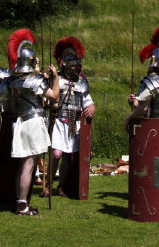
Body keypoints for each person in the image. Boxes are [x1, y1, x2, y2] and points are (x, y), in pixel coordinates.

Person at [0, 29, 59, 215]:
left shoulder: (10, 81)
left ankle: (20, 200)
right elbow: (54, 97)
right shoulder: (35, 79)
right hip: (32, 122)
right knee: (28, 164)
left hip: (18, 122)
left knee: (25, 163)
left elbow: (6, 104)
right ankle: (22, 204)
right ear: (32, 61)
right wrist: (55, 78)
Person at [51, 36, 95, 198]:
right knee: (56, 154)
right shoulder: (56, 79)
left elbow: (88, 102)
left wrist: (91, 108)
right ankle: (48, 183)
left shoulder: (82, 82)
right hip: (58, 121)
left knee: (68, 156)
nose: (76, 69)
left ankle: (61, 186)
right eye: (74, 66)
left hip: (74, 123)